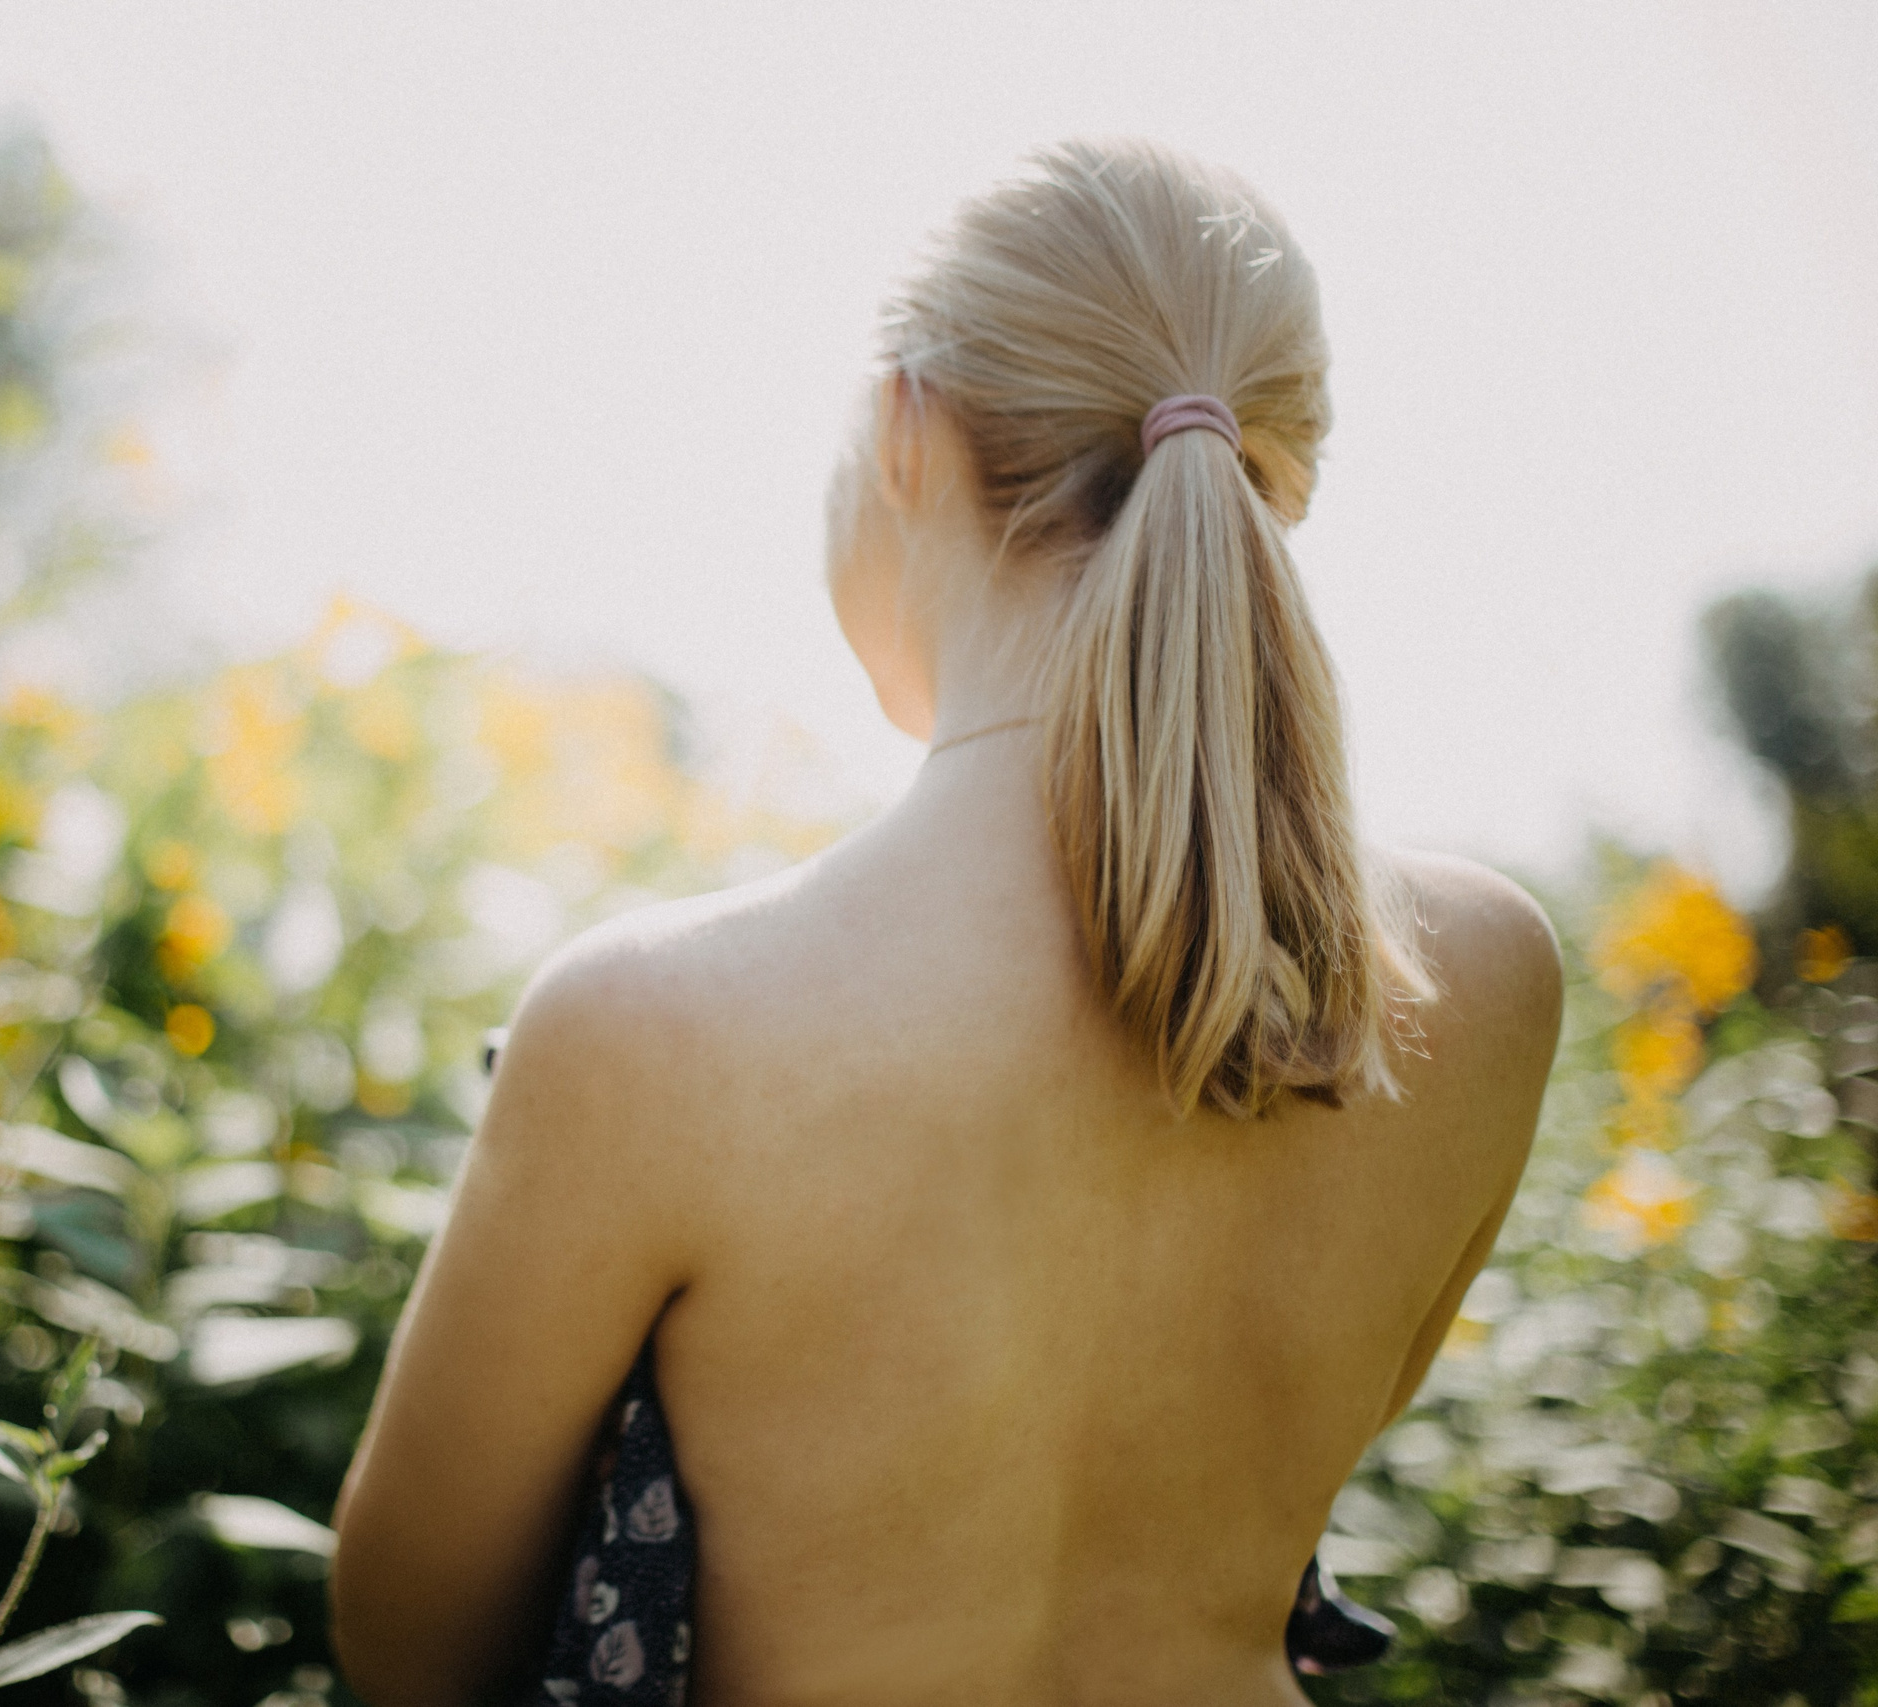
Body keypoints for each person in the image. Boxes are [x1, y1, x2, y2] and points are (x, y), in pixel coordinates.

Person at [329, 137, 1562, 1707]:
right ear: (1274, 476)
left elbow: (409, 1652)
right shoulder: (1484, 979)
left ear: (905, 426)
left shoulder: (655, 1031)